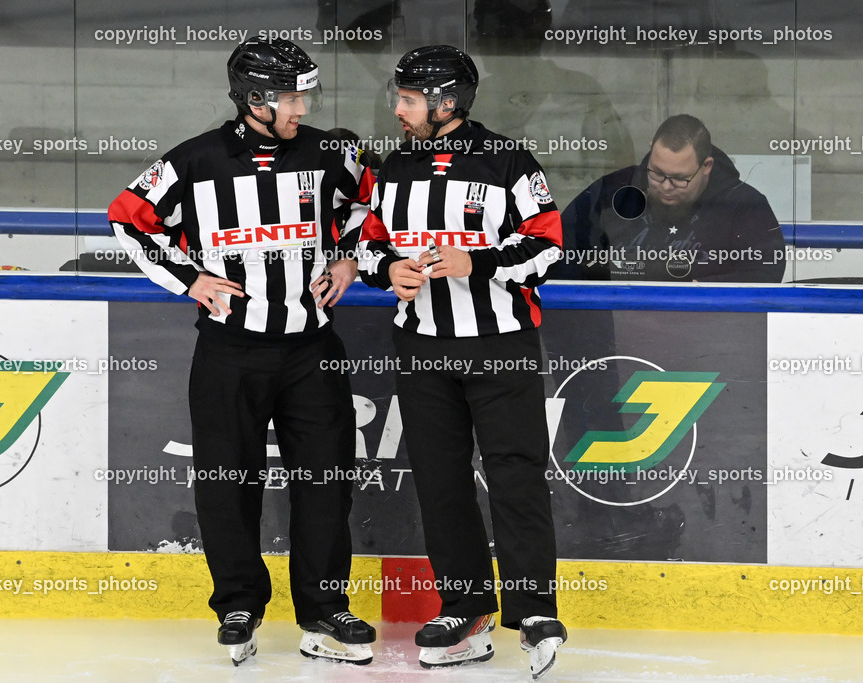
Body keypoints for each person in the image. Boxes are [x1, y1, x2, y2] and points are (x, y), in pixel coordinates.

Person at [107, 38, 376, 666]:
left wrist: (348, 256)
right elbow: (128, 216)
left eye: (305, 94)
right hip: (230, 351)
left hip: (314, 350)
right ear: (254, 98)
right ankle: (237, 603)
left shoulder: (330, 152)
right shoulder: (196, 160)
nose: (302, 108)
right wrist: (191, 280)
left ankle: (324, 606)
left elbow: (376, 202)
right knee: (227, 482)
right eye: (290, 96)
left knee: (326, 482)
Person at [358, 44, 567, 679]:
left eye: (410, 100)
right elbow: (365, 249)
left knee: (515, 475)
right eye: (400, 98)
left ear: (447, 103)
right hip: (421, 348)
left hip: (500, 345)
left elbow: (549, 247)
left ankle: (534, 610)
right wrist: (387, 271)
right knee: (441, 480)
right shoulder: (391, 172)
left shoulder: (509, 162)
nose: (398, 109)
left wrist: (478, 262)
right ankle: (467, 606)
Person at [551, 114, 785, 282]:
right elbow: (560, 252)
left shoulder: (743, 205)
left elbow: (765, 274)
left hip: (705, 332)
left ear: (706, 166)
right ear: (652, 150)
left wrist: (701, 292)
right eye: (657, 173)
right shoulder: (612, 191)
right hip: (614, 324)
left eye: (679, 178)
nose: (665, 186)